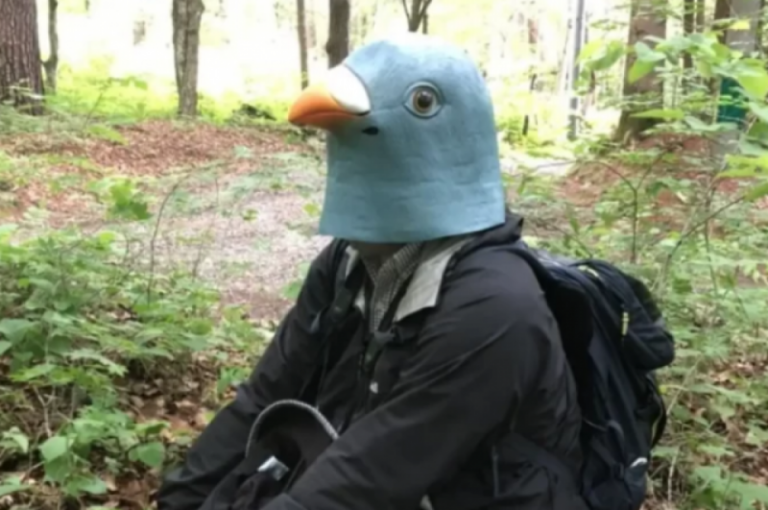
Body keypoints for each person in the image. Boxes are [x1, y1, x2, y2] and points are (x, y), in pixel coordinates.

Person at [157, 33, 587, 510]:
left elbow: (370, 476)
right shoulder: (347, 262)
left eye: (421, 102)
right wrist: (179, 499)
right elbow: (267, 392)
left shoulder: (496, 308)